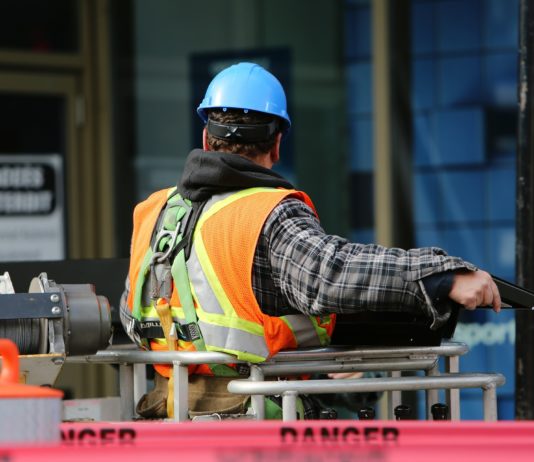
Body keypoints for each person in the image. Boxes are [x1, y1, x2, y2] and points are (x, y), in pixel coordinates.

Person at [119, 62, 501, 420]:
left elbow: (131, 310)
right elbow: (329, 274)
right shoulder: (267, 212)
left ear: (205, 136)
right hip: (251, 423)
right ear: (277, 144)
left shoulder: (154, 212)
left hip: (166, 418)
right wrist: (442, 276)